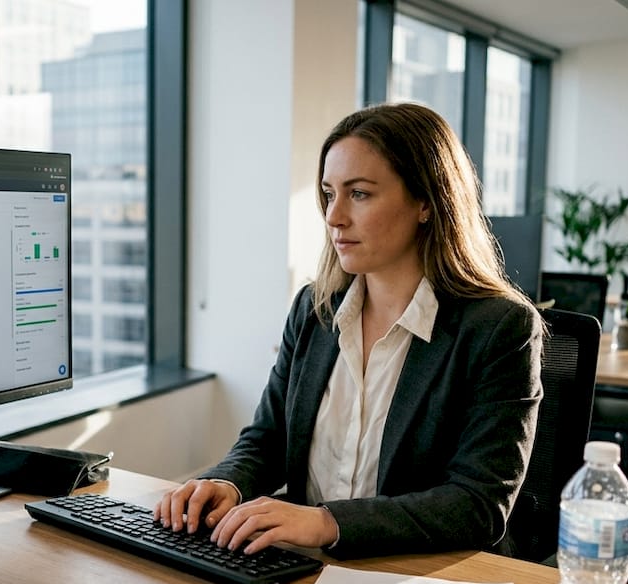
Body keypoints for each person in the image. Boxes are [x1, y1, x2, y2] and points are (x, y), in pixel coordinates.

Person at [153, 102, 543, 560]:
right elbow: (269, 439)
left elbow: (477, 505)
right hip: (304, 567)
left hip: (422, 576)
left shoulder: (499, 328)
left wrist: (327, 522)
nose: (334, 216)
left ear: (425, 202)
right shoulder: (314, 309)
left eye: (359, 193)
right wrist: (226, 483)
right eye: (328, 193)